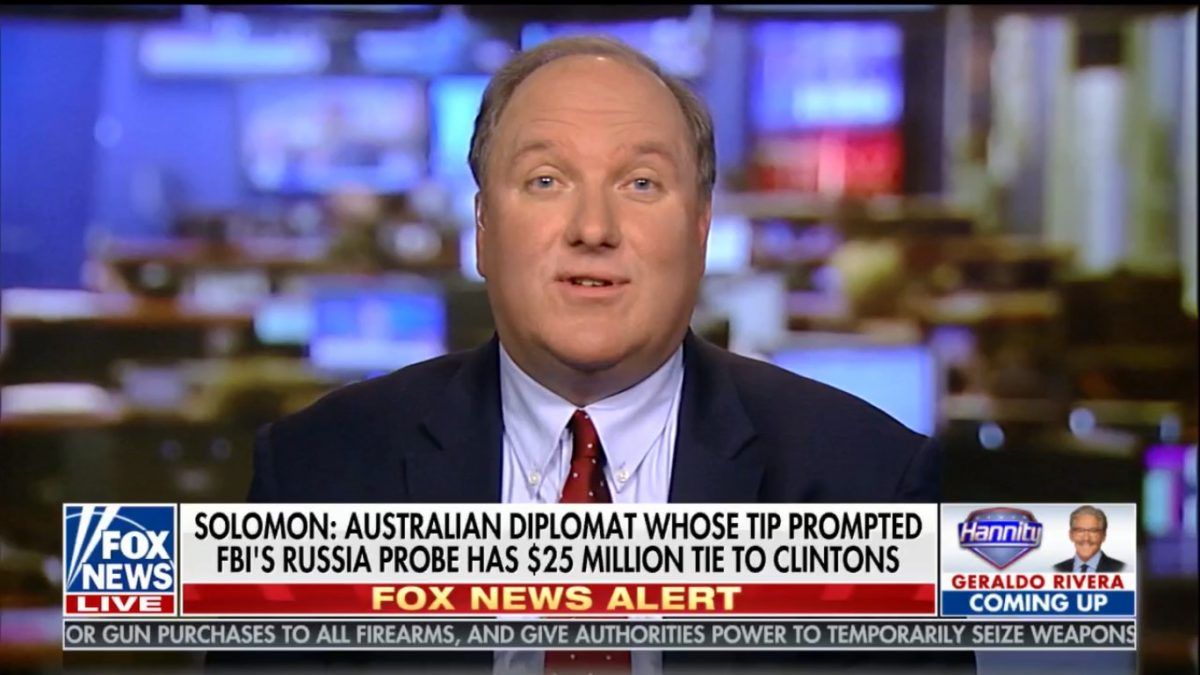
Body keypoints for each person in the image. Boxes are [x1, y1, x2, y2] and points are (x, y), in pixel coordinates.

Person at [209, 36, 974, 674]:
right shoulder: (316, 473)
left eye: (640, 183)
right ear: (483, 229)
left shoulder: (867, 483)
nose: (593, 227)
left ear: (701, 228)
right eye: (546, 180)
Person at [1053, 505, 1127, 573]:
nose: (1086, 538)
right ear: (1071, 535)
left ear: (1104, 535)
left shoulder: (1122, 569)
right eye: (1080, 530)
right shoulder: (1056, 569)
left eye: (1093, 531)